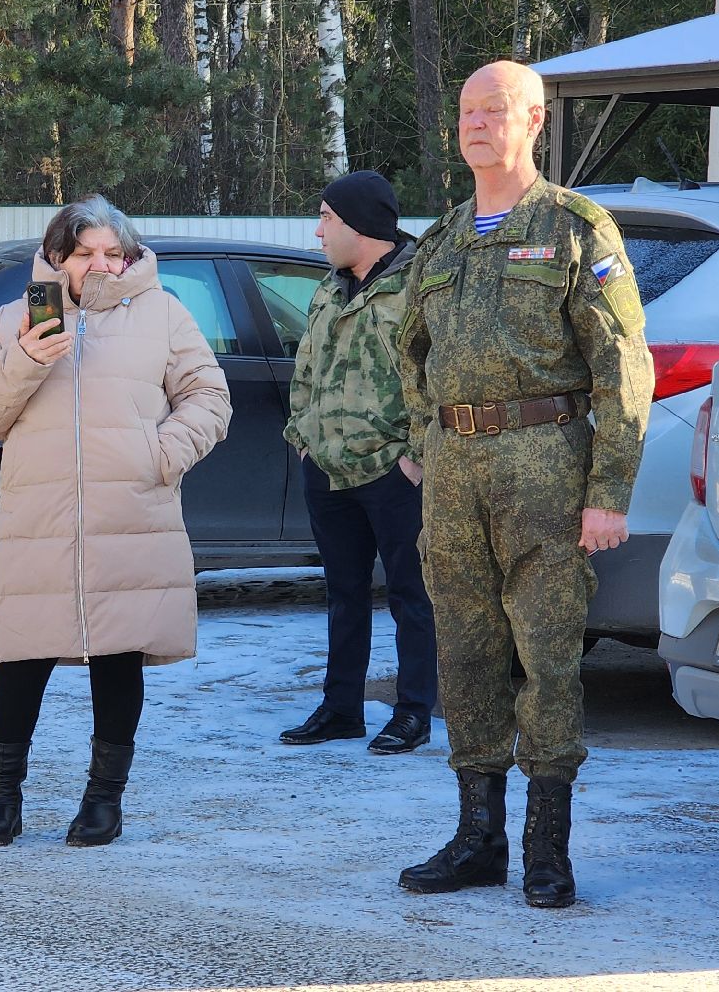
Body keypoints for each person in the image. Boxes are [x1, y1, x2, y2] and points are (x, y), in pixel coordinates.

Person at [394, 61, 653, 908]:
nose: (476, 124)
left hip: (544, 459)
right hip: (456, 467)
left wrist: (609, 491)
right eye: (466, 110)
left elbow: (623, 366)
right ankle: (478, 838)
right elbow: (409, 355)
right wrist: (421, 444)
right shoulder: (441, 238)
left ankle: (548, 845)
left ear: (535, 120)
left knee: (546, 657)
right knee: (465, 653)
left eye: (494, 109)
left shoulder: (577, 227)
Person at [0, 195, 232, 848]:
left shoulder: (163, 314)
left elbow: (208, 397)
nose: (101, 265)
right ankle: (3, 801)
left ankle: (103, 801)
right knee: (20, 661)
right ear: (57, 258)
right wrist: (25, 358)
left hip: (129, 515)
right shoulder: (17, 317)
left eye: (114, 252)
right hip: (40, 521)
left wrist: (160, 454)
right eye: (85, 253)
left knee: (118, 659)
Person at [278, 170, 438, 756]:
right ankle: (341, 707)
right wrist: (301, 432)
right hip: (327, 466)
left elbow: (438, 376)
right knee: (343, 591)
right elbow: (306, 367)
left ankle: (414, 709)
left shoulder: (419, 287)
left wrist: (416, 458)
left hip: (392, 471)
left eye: (326, 218)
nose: (318, 231)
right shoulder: (329, 287)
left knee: (410, 594)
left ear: (360, 226)